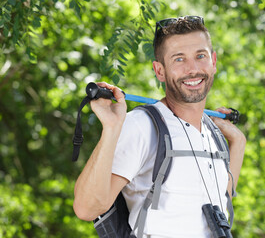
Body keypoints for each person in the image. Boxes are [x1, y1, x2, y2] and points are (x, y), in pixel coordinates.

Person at [73, 15, 246, 237]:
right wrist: (112, 128)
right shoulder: (142, 126)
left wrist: (238, 142)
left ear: (213, 62)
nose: (192, 69)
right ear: (160, 71)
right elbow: (87, 208)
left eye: (200, 56)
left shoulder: (212, 131)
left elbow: (220, 197)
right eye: (179, 59)